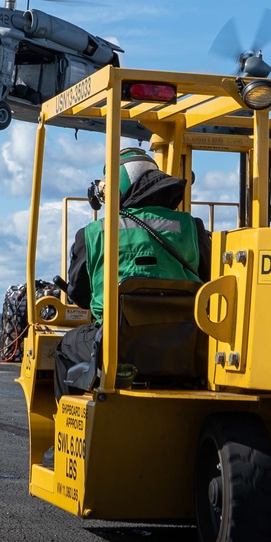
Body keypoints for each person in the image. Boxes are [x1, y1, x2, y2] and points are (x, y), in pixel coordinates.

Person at [54, 147, 211, 399]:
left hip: (120, 349)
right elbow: (209, 281)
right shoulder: (193, 228)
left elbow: (80, 294)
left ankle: (66, 428)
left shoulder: (94, 233)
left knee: (64, 348)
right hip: (186, 348)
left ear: (116, 189)